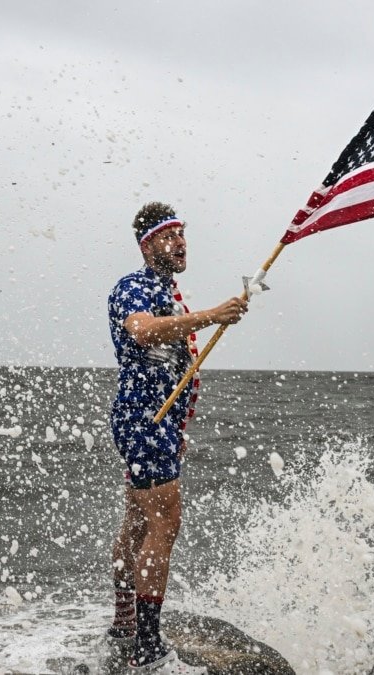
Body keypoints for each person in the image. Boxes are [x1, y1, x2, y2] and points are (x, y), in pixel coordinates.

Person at [105, 202, 248, 672]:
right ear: (147, 246)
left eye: (182, 234)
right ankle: (147, 645)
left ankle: (124, 624)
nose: (180, 243)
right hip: (143, 418)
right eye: (168, 236)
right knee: (165, 521)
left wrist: (177, 426)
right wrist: (211, 315)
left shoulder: (168, 290)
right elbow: (142, 332)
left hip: (157, 421)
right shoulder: (135, 287)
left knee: (138, 521)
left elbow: (175, 366)